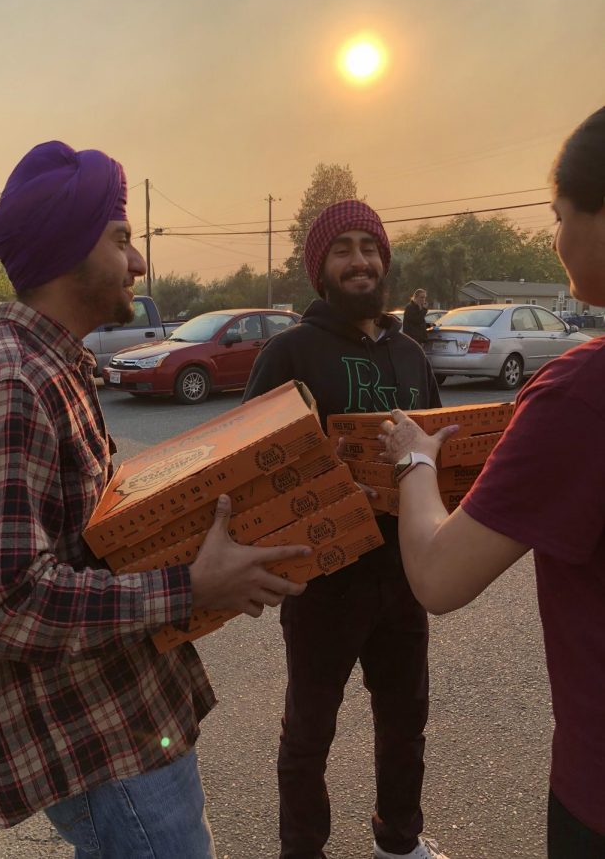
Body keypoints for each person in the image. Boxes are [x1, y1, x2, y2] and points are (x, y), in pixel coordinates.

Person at [0, 140, 309, 857]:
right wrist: (187, 585)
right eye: (121, 239)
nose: (137, 262)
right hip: (98, 744)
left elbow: (94, 538)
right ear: (68, 252)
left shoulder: (56, 367)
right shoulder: (13, 387)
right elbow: (2, 604)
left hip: (123, 715)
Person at [376, 106, 605, 858]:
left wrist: (415, 460)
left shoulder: (579, 393)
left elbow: (439, 577)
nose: (553, 235)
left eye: (558, 213)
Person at [244, 200, 447, 859]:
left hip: (402, 572)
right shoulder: (290, 352)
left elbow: (440, 456)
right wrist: (324, 491)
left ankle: (400, 842)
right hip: (323, 579)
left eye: (369, 247)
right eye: (343, 249)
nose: (360, 260)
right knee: (307, 732)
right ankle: (301, 850)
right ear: (320, 269)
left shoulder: (411, 355)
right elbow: (248, 469)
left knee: (404, 722)